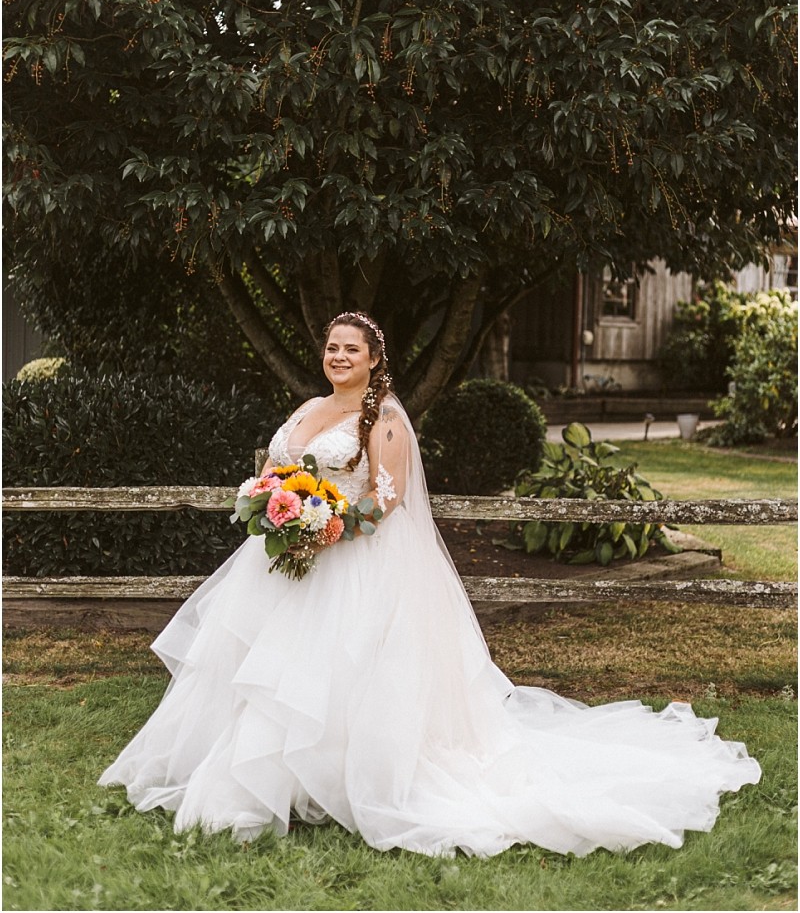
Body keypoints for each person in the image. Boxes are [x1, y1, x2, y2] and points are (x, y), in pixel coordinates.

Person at [99, 311, 761, 858]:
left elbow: (386, 500)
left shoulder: (383, 421)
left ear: (373, 359)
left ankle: (350, 779)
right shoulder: (308, 407)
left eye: (350, 349)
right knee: (269, 677)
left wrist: (326, 525)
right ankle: (282, 780)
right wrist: (276, 505)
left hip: (353, 563)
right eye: (331, 346)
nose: (337, 356)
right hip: (285, 564)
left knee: (340, 675)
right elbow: (277, 471)